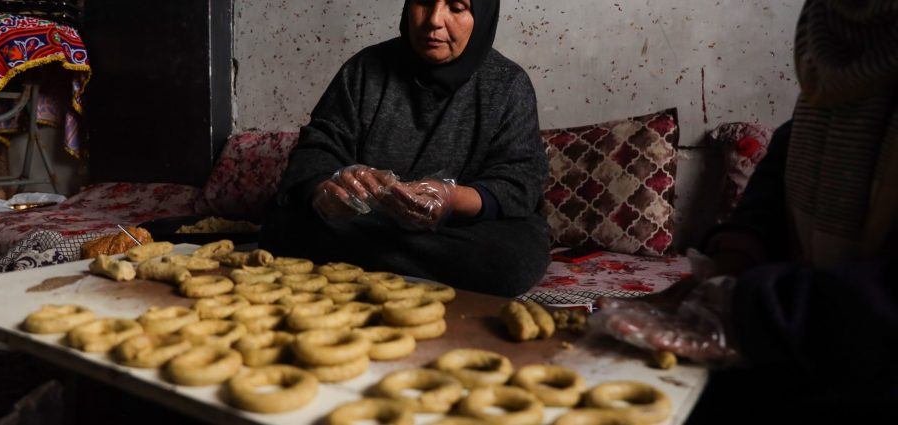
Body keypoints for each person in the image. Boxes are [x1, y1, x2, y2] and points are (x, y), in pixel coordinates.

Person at [590, 0, 898, 422]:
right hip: (797, 336)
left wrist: (747, 310)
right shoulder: (832, 27)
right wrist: (738, 250)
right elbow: (803, 139)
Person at [260, 0, 551, 297]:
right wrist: (328, 188)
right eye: (423, 2)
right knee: (283, 225)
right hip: (368, 220)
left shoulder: (507, 83)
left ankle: (371, 261)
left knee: (507, 260)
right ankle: (396, 262)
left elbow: (520, 179)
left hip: (461, 230)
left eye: (457, 7)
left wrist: (449, 198)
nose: (434, 20)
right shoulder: (364, 70)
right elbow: (317, 147)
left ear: (482, 17)